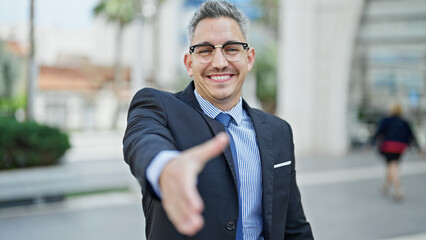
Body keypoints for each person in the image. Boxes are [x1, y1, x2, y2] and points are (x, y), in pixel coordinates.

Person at [123, 1, 313, 239]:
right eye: (205, 50)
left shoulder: (279, 131)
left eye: (232, 48)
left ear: (249, 58)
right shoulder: (157, 107)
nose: (220, 62)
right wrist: (165, 166)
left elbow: (294, 227)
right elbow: (143, 139)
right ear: (189, 63)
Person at [371, 104, 423, 202]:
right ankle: (385, 186)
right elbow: (412, 136)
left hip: (389, 146)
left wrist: (370, 143)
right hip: (401, 147)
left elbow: (379, 132)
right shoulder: (405, 122)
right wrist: (418, 148)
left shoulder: (386, 120)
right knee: (392, 166)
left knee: (392, 166)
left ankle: (398, 190)